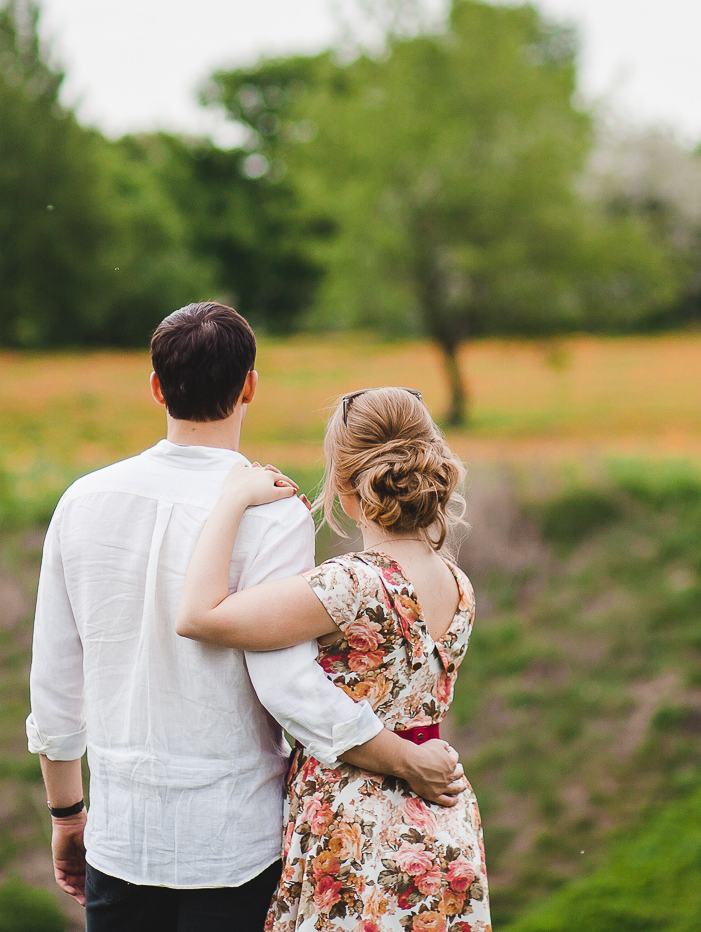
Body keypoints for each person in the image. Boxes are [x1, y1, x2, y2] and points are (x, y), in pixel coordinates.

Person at [26, 303, 468, 932]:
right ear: (250, 386)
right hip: (235, 842)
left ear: (157, 388)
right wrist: (400, 754)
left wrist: (67, 813)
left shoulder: (82, 502)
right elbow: (285, 682)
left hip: (121, 837)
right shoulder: (273, 510)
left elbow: (55, 679)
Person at [176, 386, 491, 932]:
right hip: (442, 825)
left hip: (357, 832)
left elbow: (199, 616)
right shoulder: (458, 583)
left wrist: (232, 499)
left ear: (346, 487)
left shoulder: (351, 584)